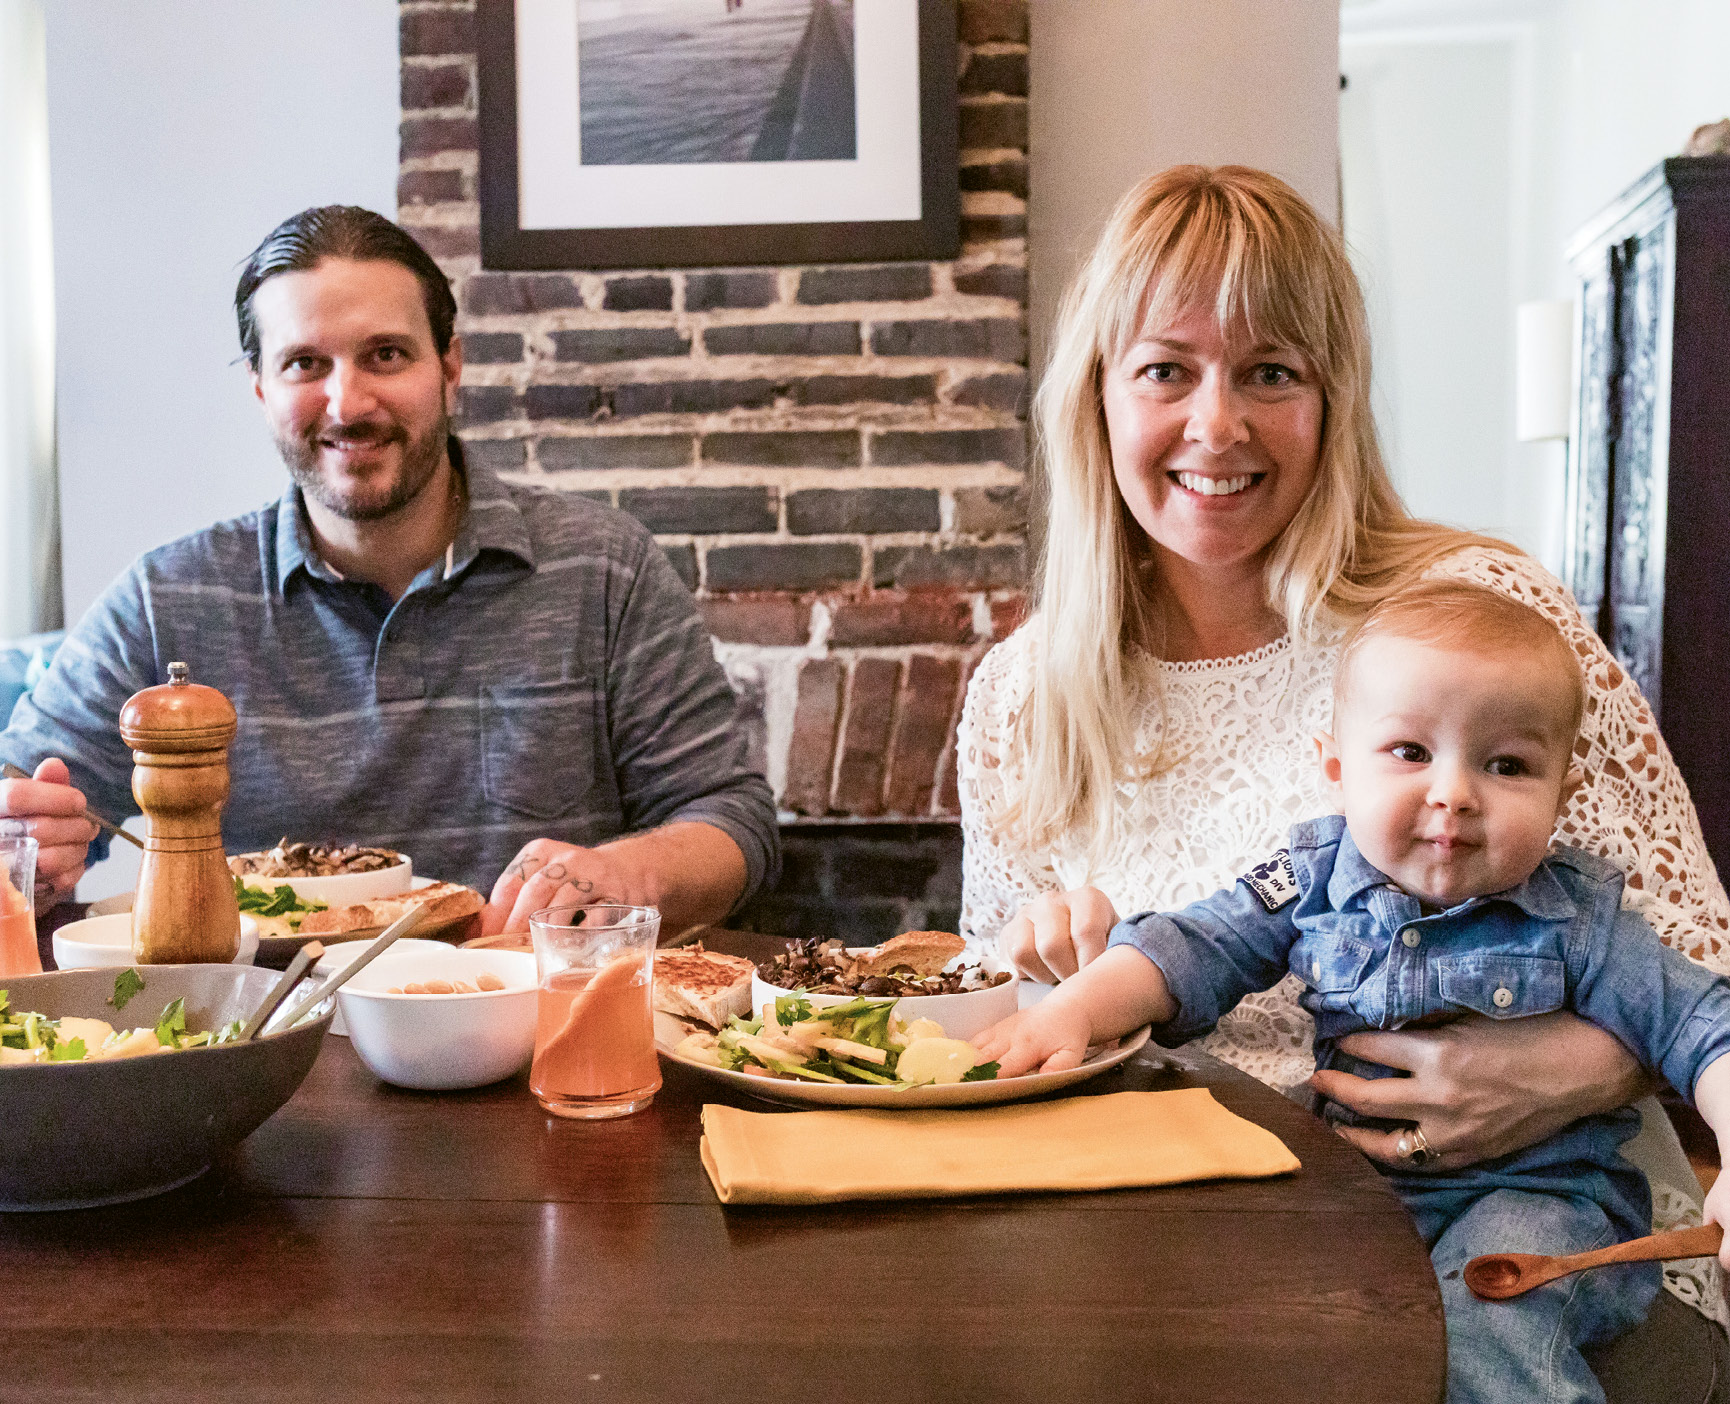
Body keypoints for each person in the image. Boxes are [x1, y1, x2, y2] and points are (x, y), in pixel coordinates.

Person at [956, 165, 1730, 1386]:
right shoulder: (1018, 691)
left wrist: (1549, 1077)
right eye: (1165, 368)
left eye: (1271, 371)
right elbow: (1003, 1014)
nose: (1217, 426)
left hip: (1537, 1240)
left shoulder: (1473, 619)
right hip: (1207, 1231)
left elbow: (1694, 953)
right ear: (1095, 394)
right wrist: (1039, 963)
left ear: (1332, 398)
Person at [978, 581, 1730, 1403]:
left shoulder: (1583, 922)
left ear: (1561, 796)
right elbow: (1189, 947)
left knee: (1490, 1317)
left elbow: (1704, 1023)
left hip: (1540, 1204)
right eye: (1411, 752)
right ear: (1337, 770)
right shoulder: (1310, 879)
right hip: (1356, 1190)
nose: (1454, 792)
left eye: (1506, 764)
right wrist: (1070, 1011)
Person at [0, 206, 777, 936]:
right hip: (258, 1055)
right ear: (262, 388)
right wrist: (26, 854)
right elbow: (21, 803)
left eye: (386, 355)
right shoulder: (165, 597)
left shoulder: (605, 568)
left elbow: (734, 823)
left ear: (450, 367)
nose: (348, 402)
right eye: (307, 363)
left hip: (535, 1038)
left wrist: (622, 871)